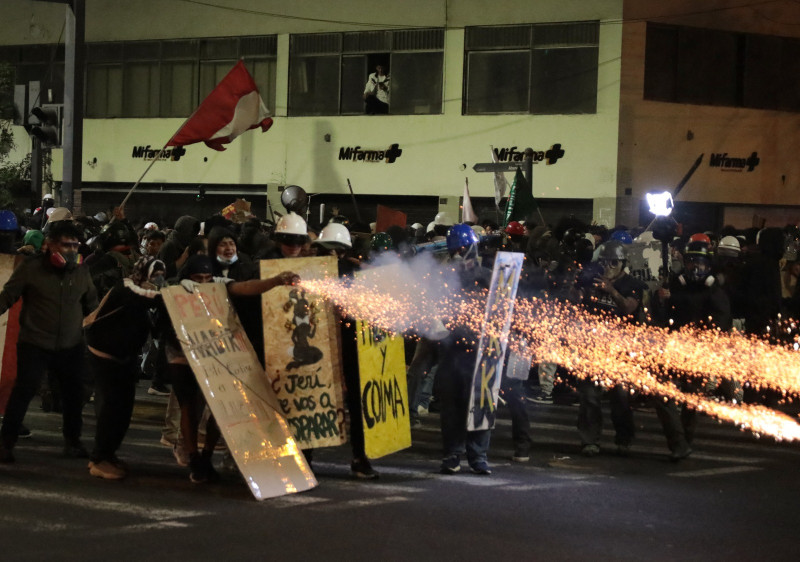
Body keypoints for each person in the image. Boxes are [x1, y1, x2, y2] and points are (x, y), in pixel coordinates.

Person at [165, 254, 299, 484]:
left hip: (215, 353)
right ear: (187, 278)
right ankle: (194, 458)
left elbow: (246, 287)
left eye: (208, 277)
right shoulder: (178, 290)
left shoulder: (220, 286)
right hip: (182, 354)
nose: (204, 283)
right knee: (189, 405)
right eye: (198, 278)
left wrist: (275, 281)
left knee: (220, 405)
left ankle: (207, 455)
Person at [0, 221, 99, 463]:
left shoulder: (81, 272)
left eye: (76, 245)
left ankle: (73, 442)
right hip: (34, 342)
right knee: (23, 392)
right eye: (66, 244)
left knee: (73, 396)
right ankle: (5, 444)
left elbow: (92, 305)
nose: (72, 250)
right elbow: (8, 296)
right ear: (50, 245)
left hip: (70, 344)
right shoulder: (31, 269)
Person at [84, 256, 166, 479]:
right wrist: (175, 296)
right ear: (142, 274)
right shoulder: (127, 287)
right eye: (154, 275)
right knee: (111, 408)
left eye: (161, 275)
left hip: (124, 358)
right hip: (104, 356)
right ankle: (98, 459)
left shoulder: (147, 297)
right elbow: (150, 297)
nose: (158, 280)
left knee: (123, 409)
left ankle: (108, 454)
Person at [576, 240, 645, 457]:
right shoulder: (592, 280)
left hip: (620, 350)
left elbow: (628, 308)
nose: (608, 266)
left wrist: (611, 290)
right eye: (605, 262)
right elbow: (577, 305)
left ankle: (624, 437)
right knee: (589, 396)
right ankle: (590, 440)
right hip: (592, 347)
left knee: (620, 398)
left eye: (614, 262)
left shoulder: (632, 284)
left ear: (623, 263)